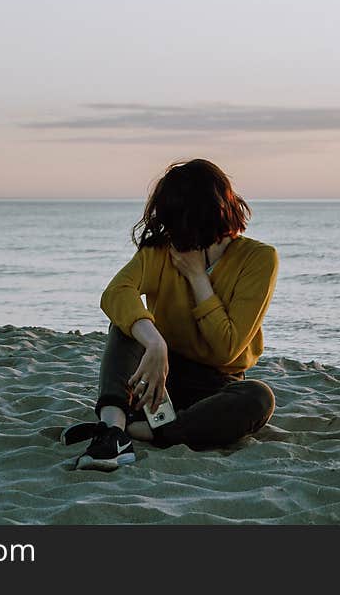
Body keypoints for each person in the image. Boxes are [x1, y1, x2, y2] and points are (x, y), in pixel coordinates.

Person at [63, 158, 279, 471]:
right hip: (157, 379)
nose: (170, 230)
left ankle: (138, 430)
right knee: (127, 323)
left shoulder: (259, 259)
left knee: (259, 398)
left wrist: (198, 278)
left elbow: (226, 347)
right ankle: (112, 432)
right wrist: (155, 343)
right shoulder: (162, 250)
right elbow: (115, 293)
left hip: (216, 389)